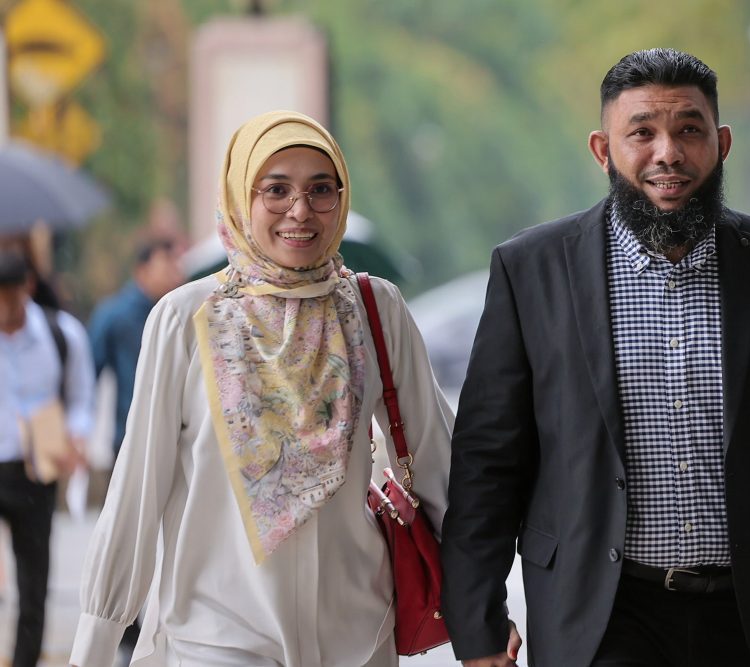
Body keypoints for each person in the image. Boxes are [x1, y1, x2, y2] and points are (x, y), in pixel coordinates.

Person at [440, 48, 750, 667]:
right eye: (642, 133)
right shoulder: (531, 270)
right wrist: (477, 618)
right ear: (603, 150)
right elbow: (489, 458)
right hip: (599, 614)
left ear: (721, 143)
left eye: (689, 130)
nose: (668, 153)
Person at [70, 110, 460, 667]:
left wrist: (483, 613)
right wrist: (93, 648)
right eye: (276, 190)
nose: (300, 210)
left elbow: (440, 467)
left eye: (320, 189)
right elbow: (136, 495)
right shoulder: (186, 318)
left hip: (356, 638)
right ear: (239, 197)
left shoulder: (374, 309)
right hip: (218, 640)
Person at [0, 248, 94, 667]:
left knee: (34, 579)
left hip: (37, 469)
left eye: (10, 296)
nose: (5, 308)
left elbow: (81, 398)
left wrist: (76, 436)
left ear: (27, 288)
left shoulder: (62, 334)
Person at [89, 236, 183, 459]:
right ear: (142, 271)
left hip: (176, 437)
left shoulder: (180, 313)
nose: (175, 273)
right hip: (130, 438)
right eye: (166, 265)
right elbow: (88, 373)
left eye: (176, 265)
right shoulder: (115, 315)